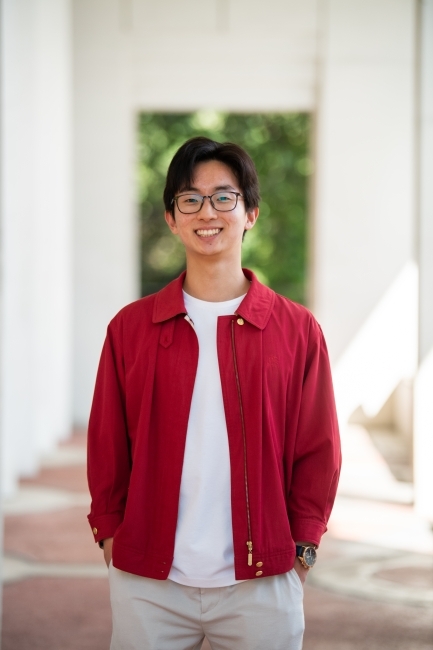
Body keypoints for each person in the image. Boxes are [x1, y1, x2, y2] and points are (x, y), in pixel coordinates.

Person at [87, 136, 341, 650]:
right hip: (149, 585)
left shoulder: (297, 330)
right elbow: (107, 445)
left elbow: (320, 451)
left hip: (263, 583)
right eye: (190, 198)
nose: (208, 211)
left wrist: (301, 552)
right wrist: (113, 537)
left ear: (249, 213)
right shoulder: (130, 329)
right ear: (171, 217)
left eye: (224, 197)